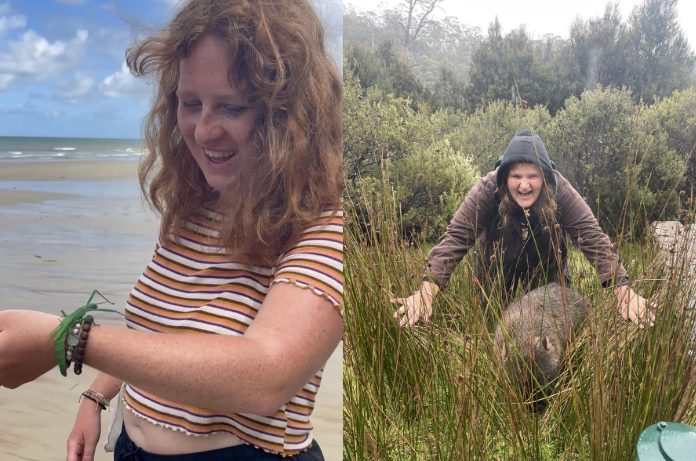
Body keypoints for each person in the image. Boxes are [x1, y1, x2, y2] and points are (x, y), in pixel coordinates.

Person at [0, 1, 343, 460]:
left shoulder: (327, 227)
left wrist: (70, 338)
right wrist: (95, 397)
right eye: (190, 103)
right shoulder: (194, 205)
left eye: (232, 107)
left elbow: (265, 377)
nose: (202, 131)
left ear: (288, 115)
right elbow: (159, 333)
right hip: (130, 447)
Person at [393, 129, 655, 328]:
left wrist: (623, 291)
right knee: (496, 327)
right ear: (505, 176)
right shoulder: (487, 190)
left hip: (547, 265)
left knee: (550, 331)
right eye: (516, 176)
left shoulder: (560, 191)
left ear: (545, 176)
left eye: (533, 175)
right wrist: (426, 293)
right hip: (497, 265)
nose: (524, 185)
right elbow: (456, 239)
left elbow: (592, 238)